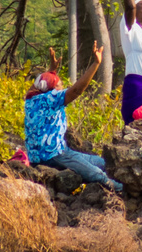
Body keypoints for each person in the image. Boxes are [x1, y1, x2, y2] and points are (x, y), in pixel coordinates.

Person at [23, 42, 123, 192]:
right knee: (97, 173)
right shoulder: (51, 99)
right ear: (53, 90)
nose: (62, 87)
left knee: (102, 163)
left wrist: (52, 70)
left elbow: (44, 83)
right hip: (53, 155)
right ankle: (123, 189)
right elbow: (76, 90)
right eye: (59, 85)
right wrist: (96, 63)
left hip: (57, 151)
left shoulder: (31, 99)